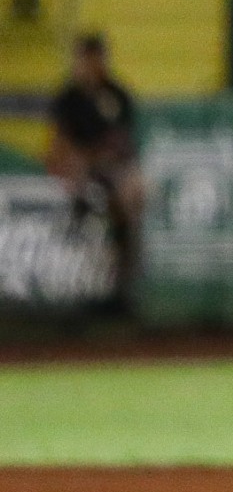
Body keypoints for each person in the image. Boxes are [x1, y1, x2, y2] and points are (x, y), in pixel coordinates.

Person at [47, 32, 143, 299]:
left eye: (93, 59)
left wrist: (103, 158)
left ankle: (124, 272)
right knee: (78, 171)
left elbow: (122, 143)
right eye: (83, 59)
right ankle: (78, 222)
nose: (86, 65)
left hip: (110, 168)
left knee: (135, 188)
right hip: (79, 166)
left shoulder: (116, 95)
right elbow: (59, 144)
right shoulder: (68, 97)